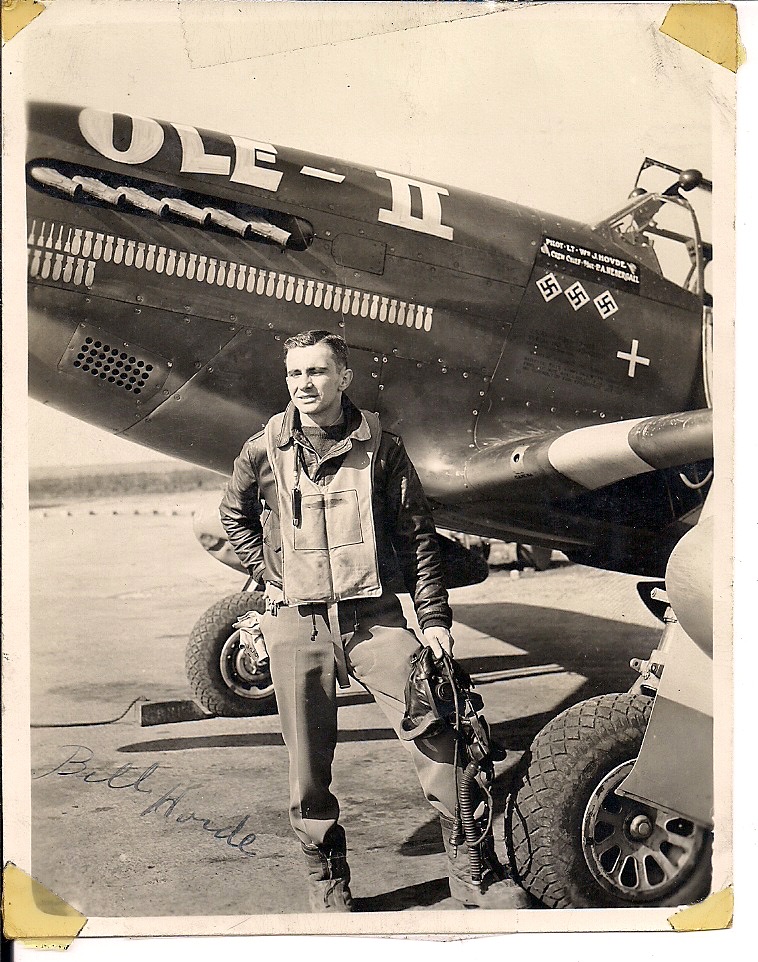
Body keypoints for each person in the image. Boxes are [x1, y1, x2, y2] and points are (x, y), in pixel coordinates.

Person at [219, 329, 528, 912]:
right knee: (307, 768)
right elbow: (233, 515)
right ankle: (327, 880)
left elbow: (417, 537)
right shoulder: (262, 449)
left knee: (440, 736)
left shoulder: (384, 448)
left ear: (344, 378)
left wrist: (433, 620)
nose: (304, 384)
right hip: (297, 624)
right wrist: (268, 571)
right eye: (295, 374)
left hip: (375, 621)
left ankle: (472, 871)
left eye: (316, 371)